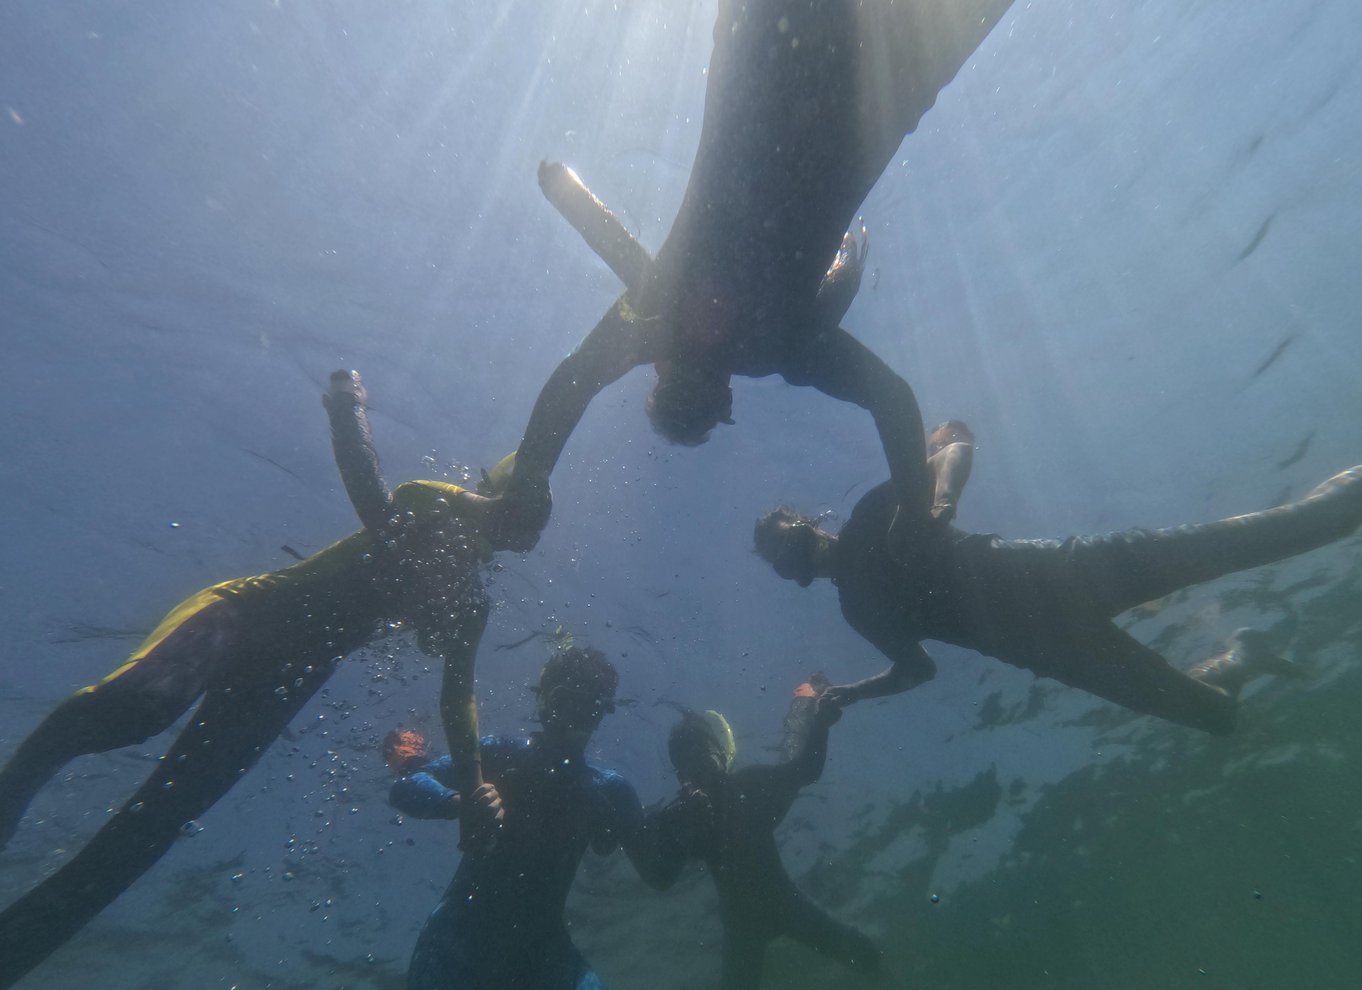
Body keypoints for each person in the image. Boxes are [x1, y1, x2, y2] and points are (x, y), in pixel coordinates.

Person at [0, 371, 503, 988]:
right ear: (489, 495)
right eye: (513, 507)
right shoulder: (435, 502)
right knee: (135, 710)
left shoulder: (471, 603)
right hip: (243, 615)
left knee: (160, 820)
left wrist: (473, 790)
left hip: (290, 679)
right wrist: (347, 405)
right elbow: (372, 489)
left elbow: (459, 696)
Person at [491, 0, 1019, 548]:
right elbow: (575, 378)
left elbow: (894, 398)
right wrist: (530, 477)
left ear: (724, 401)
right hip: (762, 43)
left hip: (885, 87)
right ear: (660, 378)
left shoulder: (780, 349)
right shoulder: (656, 311)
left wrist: (915, 518)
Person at [754, 420, 1362, 735]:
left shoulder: (867, 514)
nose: (791, 550)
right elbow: (918, 669)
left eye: (788, 534)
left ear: (809, 524)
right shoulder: (857, 612)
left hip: (1067, 572)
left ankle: (1344, 501)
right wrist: (849, 693)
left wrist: (943, 502)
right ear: (791, 577)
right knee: (1214, 716)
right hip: (1053, 651)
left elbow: (953, 448)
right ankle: (1242, 655)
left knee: (1273, 535)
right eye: (780, 556)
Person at [391, 646, 666, 990]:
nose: (576, 718)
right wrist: (458, 802)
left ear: (602, 713)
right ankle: (410, 756)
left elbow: (658, 873)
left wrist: (685, 812)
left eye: (590, 707)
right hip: (458, 942)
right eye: (567, 702)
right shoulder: (501, 752)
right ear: (543, 702)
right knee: (416, 766)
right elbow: (404, 789)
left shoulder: (610, 791)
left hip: (539, 953)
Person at [643, 686, 879, 989]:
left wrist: (820, 725)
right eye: (689, 769)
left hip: (773, 912)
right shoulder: (682, 815)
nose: (701, 773)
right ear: (681, 777)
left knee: (866, 955)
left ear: (721, 756)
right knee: (860, 952)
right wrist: (677, 830)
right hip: (755, 922)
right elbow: (662, 875)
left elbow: (806, 770)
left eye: (705, 761)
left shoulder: (749, 786)